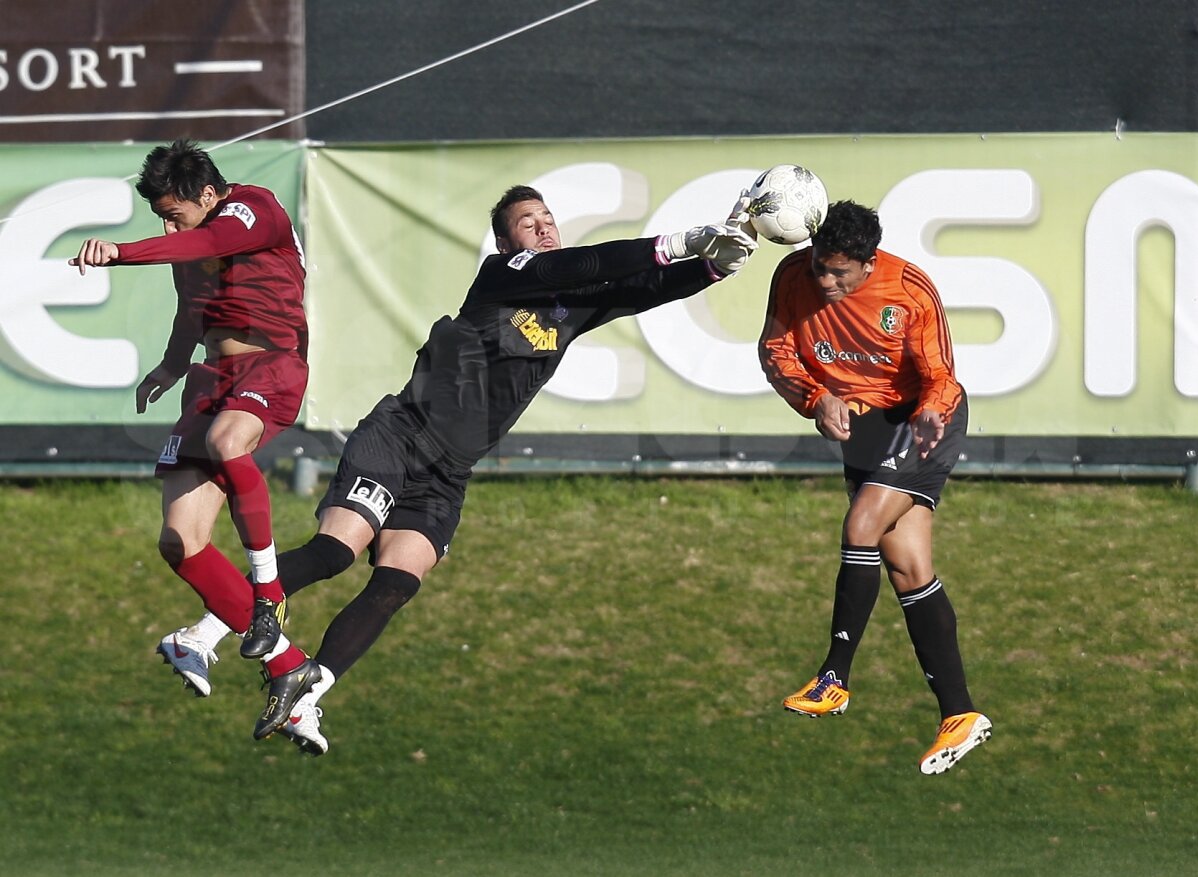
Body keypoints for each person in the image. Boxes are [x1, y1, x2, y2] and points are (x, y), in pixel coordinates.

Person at [158, 184, 758, 751]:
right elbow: (588, 265)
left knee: (396, 582)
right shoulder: (503, 277)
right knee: (336, 552)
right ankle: (204, 632)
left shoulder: (571, 309)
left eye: (548, 218)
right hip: (400, 436)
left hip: (449, 470)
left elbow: (640, 287)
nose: (543, 227)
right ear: (504, 244)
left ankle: (307, 694)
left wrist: (714, 265)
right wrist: (679, 241)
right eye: (528, 222)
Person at [70, 139, 317, 733]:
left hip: (271, 366)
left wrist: (121, 253)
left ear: (208, 193)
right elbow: (192, 310)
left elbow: (211, 241)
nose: (166, 222)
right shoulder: (191, 238)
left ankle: (268, 592)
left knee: (231, 442)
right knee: (180, 542)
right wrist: (169, 365)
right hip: (211, 380)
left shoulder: (253, 209)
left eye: (171, 211)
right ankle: (290, 667)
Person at [757, 200, 990, 775]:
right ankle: (959, 713)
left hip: (921, 421)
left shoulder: (909, 290)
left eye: (840, 272)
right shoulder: (792, 276)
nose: (827, 281)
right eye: (820, 267)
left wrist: (933, 412)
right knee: (908, 567)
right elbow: (775, 350)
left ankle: (835, 674)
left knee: (861, 525)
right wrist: (816, 400)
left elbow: (941, 376)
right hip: (863, 429)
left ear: (869, 263)